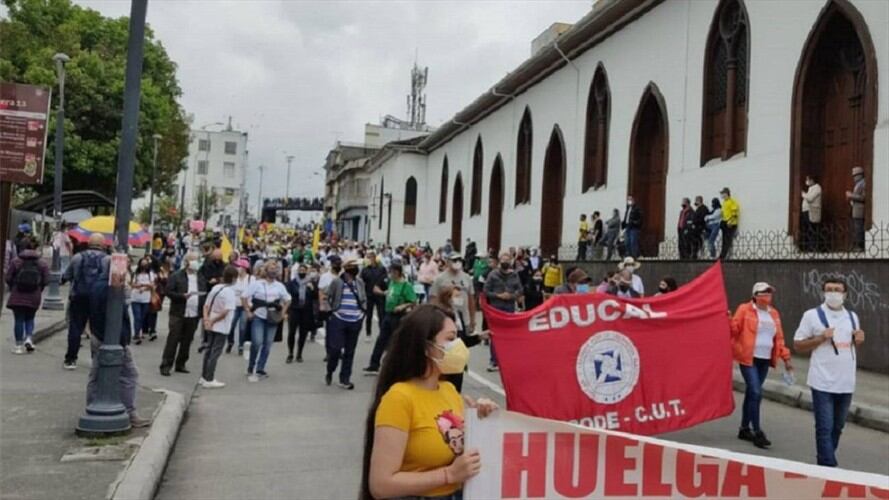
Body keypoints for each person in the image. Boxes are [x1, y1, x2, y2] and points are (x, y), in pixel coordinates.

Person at [360, 304, 498, 500]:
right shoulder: (399, 399)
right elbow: (381, 485)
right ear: (426, 347)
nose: (459, 346)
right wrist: (448, 475)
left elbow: (463, 454)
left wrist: (482, 421)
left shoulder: (449, 390)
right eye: (450, 339)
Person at [793, 278, 864, 467]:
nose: (834, 293)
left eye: (838, 290)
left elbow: (852, 344)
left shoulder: (852, 317)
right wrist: (820, 338)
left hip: (846, 382)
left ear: (845, 294)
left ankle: (823, 463)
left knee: (838, 427)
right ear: (823, 293)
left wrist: (859, 340)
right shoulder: (812, 315)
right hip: (822, 381)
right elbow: (798, 345)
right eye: (829, 290)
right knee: (824, 427)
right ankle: (829, 466)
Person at [730, 282, 792, 450]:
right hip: (748, 358)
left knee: (752, 393)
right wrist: (728, 320)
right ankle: (757, 431)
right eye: (764, 293)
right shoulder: (745, 309)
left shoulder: (774, 314)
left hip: (765, 359)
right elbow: (734, 330)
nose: (767, 296)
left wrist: (786, 358)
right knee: (756, 392)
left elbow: (779, 338)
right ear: (755, 295)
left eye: (769, 293)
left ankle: (744, 428)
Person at [86, 266, 150, 428]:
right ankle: (128, 411)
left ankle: (92, 405)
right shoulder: (108, 289)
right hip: (111, 339)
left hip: (101, 335)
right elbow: (113, 313)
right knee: (129, 374)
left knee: (96, 373)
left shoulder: (97, 285)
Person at [61, 233, 110, 369]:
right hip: (99, 299)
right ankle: (95, 359)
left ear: (89, 243)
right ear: (103, 245)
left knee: (75, 328)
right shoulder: (107, 260)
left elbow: (67, 275)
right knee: (97, 329)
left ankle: (71, 359)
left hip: (78, 297)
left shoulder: (78, 257)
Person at [364, 262, 417, 375]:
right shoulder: (391, 283)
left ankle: (397, 365)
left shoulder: (405, 285)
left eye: (392, 272)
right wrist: (384, 293)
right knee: (381, 339)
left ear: (397, 272)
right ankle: (374, 364)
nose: (390, 274)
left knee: (396, 341)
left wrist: (403, 306)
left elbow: (413, 301)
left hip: (399, 316)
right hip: (388, 314)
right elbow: (378, 289)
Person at [244, 261, 291, 382]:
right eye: (271, 268)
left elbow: (288, 299)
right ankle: (251, 364)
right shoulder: (257, 284)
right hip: (259, 316)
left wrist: (283, 313)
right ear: (266, 270)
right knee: (257, 342)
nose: (274, 270)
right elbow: (244, 297)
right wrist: (248, 311)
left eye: (276, 268)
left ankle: (260, 367)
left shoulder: (279, 286)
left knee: (268, 344)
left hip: (272, 318)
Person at [324, 258, 367, 389]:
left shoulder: (359, 282)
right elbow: (327, 295)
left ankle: (345, 378)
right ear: (346, 268)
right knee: (336, 349)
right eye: (352, 266)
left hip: (355, 319)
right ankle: (330, 370)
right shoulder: (337, 282)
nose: (355, 269)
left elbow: (363, 298)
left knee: (350, 351)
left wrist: (362, 313)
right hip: (339, 318)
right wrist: (331, 310)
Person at [160, 252, 202, 376]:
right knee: (173, 339)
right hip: (178, 312)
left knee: (187, 340)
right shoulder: (177, 276)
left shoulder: (199, 276)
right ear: (186, 262)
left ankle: (181, 363)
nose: (195, 262)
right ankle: (166, 364)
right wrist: (182, 296)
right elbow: (168, 291)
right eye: (193, 260)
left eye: (197, 259)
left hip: (193, 313)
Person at [5, 237, 49, 354]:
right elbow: (46, 280)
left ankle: (18, 346)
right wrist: (39, 289)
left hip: (18, 293)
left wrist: (12, 287)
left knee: (18, 319)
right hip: (34, 294)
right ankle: (29, 338)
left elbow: (8, 277)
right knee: (30, 317)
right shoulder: (42, 262)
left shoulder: (16, 261)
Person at [483, 252, 523, 372]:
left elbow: (520, 290)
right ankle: (493, 360)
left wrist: (511, 296)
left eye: (507, 259)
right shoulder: (493, 274)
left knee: (508, 335)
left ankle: (506, 360)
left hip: (509, 308)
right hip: (496, 307)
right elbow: (486, 291)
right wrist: (498, 295)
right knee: (495, 334)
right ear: (500, 261)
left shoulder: (514, 275)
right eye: (503, 259)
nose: (505, 262)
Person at [200, 265, 238, 389]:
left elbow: (206, 305)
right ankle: (209, 378)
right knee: (215, 352)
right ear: (233, 278)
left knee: (208, 350)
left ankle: (204, 376)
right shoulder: (230, 292)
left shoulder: (216, 287)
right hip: (221, 325)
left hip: (210, 321)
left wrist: (207, 319)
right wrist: (213, 320)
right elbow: (226, 311)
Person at [430, 255, 476, 341]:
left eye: (459, 260)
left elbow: (471, 299)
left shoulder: (467, 277)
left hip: (463, 317)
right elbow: (433, 299)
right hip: (446, 317)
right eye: (454, 260)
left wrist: (472, 320)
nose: (457, 262)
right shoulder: (440, 278)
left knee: (462, 343)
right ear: (448, 262)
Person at [285, 263, 318, 363]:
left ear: (307, 272)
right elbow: (287, 297)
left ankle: (299, 353)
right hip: (294, 309)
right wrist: (286, 312)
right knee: (291, 332)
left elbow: (315, 297)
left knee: (303, 333)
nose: (302, 272)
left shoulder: (310, 283)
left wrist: (312, 289)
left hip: (306, 311)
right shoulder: (292, 283)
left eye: (304, 270)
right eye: (300, 270)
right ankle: (290, 353)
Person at [227, 259, 253, 355]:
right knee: (231, 325)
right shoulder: (234, 278)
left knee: (242, 327)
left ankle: (241, 345)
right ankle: (230, 342)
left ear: (244, 268)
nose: (237, 268)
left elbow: (252, 293)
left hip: (245, 306)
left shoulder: (251, 278)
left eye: (239, 266)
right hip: (234, 305)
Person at [360, 250, 387, 342]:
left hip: (379, 295)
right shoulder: (365, 270)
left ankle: (382, 334)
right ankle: (368, 333)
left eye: (370, 257)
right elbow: (362, 282)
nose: (368, 259)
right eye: (367, 257)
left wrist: (381, 289)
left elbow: (385, 280)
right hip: (369, 295)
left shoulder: (381, 268)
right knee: (369, 315)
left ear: (374, 257)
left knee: (381, 315)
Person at [130, 256, 156, 345]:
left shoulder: (150, 274)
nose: (144, 266)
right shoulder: (135, 273)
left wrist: (143, 287)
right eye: (142, 264)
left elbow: (152, 285)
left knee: (142, 317)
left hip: (145, 298)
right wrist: (141, 285)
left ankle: (139, 331)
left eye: (145, 264)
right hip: (135, 298)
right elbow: (132, 284)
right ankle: (137, 334)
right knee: (137, 317)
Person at [845, 166, 866, 251]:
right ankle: (856, 245)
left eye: (855, 175)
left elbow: (863, 197)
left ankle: (859, 246)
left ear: (860, 175)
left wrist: (851, 195)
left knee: (859, 228)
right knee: (855, 227)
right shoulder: (858, 184)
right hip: (855, 209)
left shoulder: (864, 183)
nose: (854, 177)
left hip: (860, 210)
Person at [801, 174, 822, 252]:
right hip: (806, 211)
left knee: (812, 230)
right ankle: (808, 247)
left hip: (812, 212)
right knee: (808, 230)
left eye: (808, 179)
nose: (807, 181)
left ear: (812, 180)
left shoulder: (817, 188)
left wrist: (803, 194)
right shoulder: (810, 188)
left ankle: (813, 248)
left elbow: (810, 199)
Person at [719, 187, 740, 260]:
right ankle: (723, 255)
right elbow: (723, 213)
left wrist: (730, 222)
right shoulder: (724, 202)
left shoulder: (732, 202)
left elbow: (735, 214)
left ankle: (725, 255)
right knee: (724, 240)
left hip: (731, 223)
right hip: (725, 223)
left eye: (723, 194)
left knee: (728, 240)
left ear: (727, 194)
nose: (722, 196)